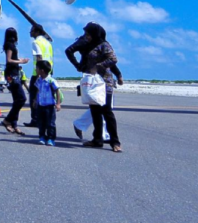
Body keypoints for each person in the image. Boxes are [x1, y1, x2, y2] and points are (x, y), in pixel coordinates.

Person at [66, 22, 123, 153]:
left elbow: (113, 60)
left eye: (88, 34)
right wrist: (78, 66)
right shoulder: (87, 46)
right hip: (92, 82)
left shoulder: (104, 45)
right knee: (95, 112)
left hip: (104, 83)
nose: (86, 36)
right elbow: (69, 51)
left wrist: (98, 66)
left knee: (107, 112)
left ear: (94, 34)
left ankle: (115, 142)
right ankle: (97, 140)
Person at [23, 24, 53, 128]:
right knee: (44, 97)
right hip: (48, 73)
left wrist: (39, 73)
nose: (30, 33)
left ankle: (35, 119)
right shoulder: (47, 43)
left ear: (37, 32)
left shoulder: (36, 42)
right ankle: (44, 119)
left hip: (38, 74)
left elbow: (39, 57)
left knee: (34, 97)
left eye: (32, 31)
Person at [1, 27, 29, 135]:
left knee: (17, 99)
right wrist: (20, 61)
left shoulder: (10, 45)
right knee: (22, 99)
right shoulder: (10, 45)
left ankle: (13, 124)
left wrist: (19, 61)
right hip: (12, 74)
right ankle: (7, 120)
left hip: (13, 73)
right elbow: (8, 60)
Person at [33, 60, 61, 146]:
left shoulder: (51, 80)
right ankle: (42, 137)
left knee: (50, 123)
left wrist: (58, 103)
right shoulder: (39, 80)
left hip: (50, 106)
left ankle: (51, 138)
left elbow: (57, 91)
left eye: (37, 68)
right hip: (40, 105)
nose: (35, 69)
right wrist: (35, 100)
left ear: (42, 70)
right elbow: (38, 91)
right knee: (41, 122)